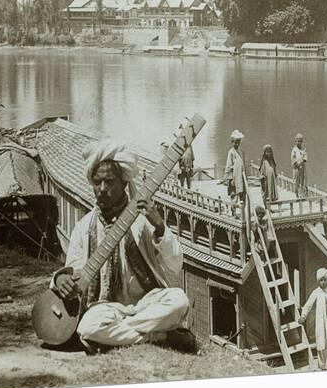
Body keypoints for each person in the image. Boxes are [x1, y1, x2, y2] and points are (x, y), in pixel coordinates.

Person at [50, 139, 194, 352]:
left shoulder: (142, 220)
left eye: (109, 182)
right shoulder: (84, 227)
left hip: (147, 303)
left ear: (124, 183)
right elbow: (74, 270)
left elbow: (175, 264)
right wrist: (61, 278)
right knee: (88, 327)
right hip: (107, 308)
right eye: (97, 182)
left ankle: (117, 335)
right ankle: (160, 335)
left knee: (179, 300)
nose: (102, 189)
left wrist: (160, 227)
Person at [298, 268, 327, 370]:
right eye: (320, 280)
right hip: (321, 324)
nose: (322, 282)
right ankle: (322, 367)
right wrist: (303, 316)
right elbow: (308, 305)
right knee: (322, 346)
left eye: (324, 280)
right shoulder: (316, 292)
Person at [224, 130, 246, 205]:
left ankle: (243, 212)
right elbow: (229, 166)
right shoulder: (231, 152)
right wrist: (230, 178)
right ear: (232, 142)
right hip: (234, 176)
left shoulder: (241, 151)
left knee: (242, 194)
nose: (237, 144)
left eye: (238, 142)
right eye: (235, 142)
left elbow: (243, 163)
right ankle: (234, 212)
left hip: (241, 176)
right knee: (234, 194)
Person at [291, 133, 308, 198]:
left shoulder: (303, 150)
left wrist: (302, 160)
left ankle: (303, 194)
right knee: (296, 181)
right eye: (298, 141)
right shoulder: (294, 150)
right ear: (295, 141)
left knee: (303, 180)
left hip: (302, 167)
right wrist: (298, 164)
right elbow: (293, 160)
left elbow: (305, 158)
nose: (299, 143)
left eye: (300, 141)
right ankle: (297, 195)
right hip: (296, 168)